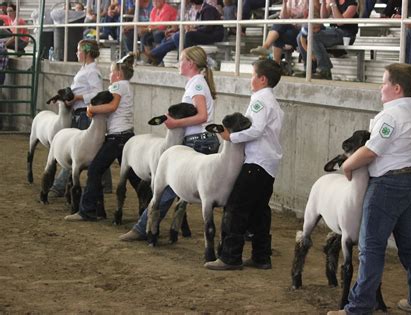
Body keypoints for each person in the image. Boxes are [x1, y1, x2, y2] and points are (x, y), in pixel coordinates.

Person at [327, 63, 411, 315]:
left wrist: (348, 164)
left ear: (396, 88)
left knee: (371, 247)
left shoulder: (390, 116)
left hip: (388, 185)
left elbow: (372, 150)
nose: (380, 87)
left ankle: (359, 307)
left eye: (384, 82)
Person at [119, 46, 220, 241]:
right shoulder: (197, 82)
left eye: (181, 60)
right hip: (202, 141)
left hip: (196, 142)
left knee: (168, 186)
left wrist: (175, 123)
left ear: (190, 63)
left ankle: (143, 228)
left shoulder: (196, 84)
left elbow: (202, 115)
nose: (178, 64)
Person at [204, 59, 284, 271]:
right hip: (267, 164)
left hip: (256, 163)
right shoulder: (272, 102)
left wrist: (231, 136)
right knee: (259, 210)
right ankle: (261, 256)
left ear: (262, 79)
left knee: (236, 207)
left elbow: (255, 130)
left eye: (253, 75)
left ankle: (230, 256)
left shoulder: (260, 101)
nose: (251, 79)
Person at [65, 54, 142, 221]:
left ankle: (87, 211)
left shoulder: (116, 87)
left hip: (116, 137)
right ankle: (148, 204)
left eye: (111, 72)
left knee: (94, 170)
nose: (109, 75)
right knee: (132, 175)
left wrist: (91, 109)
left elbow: (112, 106)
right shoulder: (127, 86)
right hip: (127, 135)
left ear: (118, 74)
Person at [48, 40, 112, 198]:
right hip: (80, 112)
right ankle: (105, 184)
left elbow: (97, 93)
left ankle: (58, 186)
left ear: (87, 52)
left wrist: (76, 97)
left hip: (86, 113)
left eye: (78, 50)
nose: (76, 53)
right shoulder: (86, 70)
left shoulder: (92, 72)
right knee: (90, 150)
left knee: (77, 151)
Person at [145, 0, 223, 67]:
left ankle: (155, 55)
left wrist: (193, 29)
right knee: (173, 37)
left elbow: (208, 28)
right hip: (203, 33)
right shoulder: (200, 10)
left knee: (183, 35)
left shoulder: (208, 9)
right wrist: (189, 29)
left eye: (195, 6)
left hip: (213, 35)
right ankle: (156, 58)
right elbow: (199, 26)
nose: (194, 8)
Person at [309, 0, 359, 80]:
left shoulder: (352, 3)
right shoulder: (334, 1)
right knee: (308, 35)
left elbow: (340, 22)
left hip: (346, 35)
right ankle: (311, 69)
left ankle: (325, 69)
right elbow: (323, 17)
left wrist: (333, 5)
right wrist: (324, 3)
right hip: (333, 31)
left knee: (314, 37)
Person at [250, 0, 308, 65]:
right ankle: (275, 63)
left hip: (304, 30)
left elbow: (310, 14)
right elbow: (283, 17)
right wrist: (284, 3)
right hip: (292, 28)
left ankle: (266, 49)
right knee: (278, 29)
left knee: (279, 30)